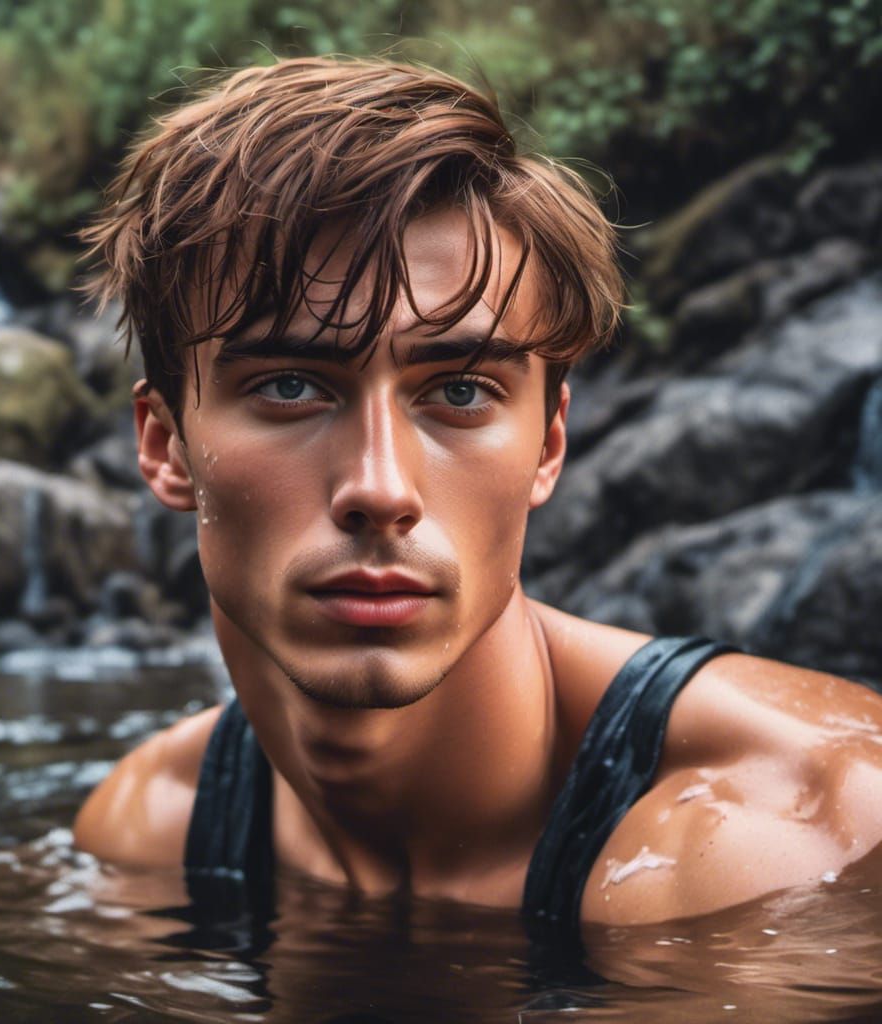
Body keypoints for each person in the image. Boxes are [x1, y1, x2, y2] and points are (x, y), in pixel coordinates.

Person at [73, 56, 882, 938]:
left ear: (549, 442)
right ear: (165, 446)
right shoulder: (150, 831)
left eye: (459, 392)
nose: (380, 489)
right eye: (291, 387)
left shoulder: (790, 841)